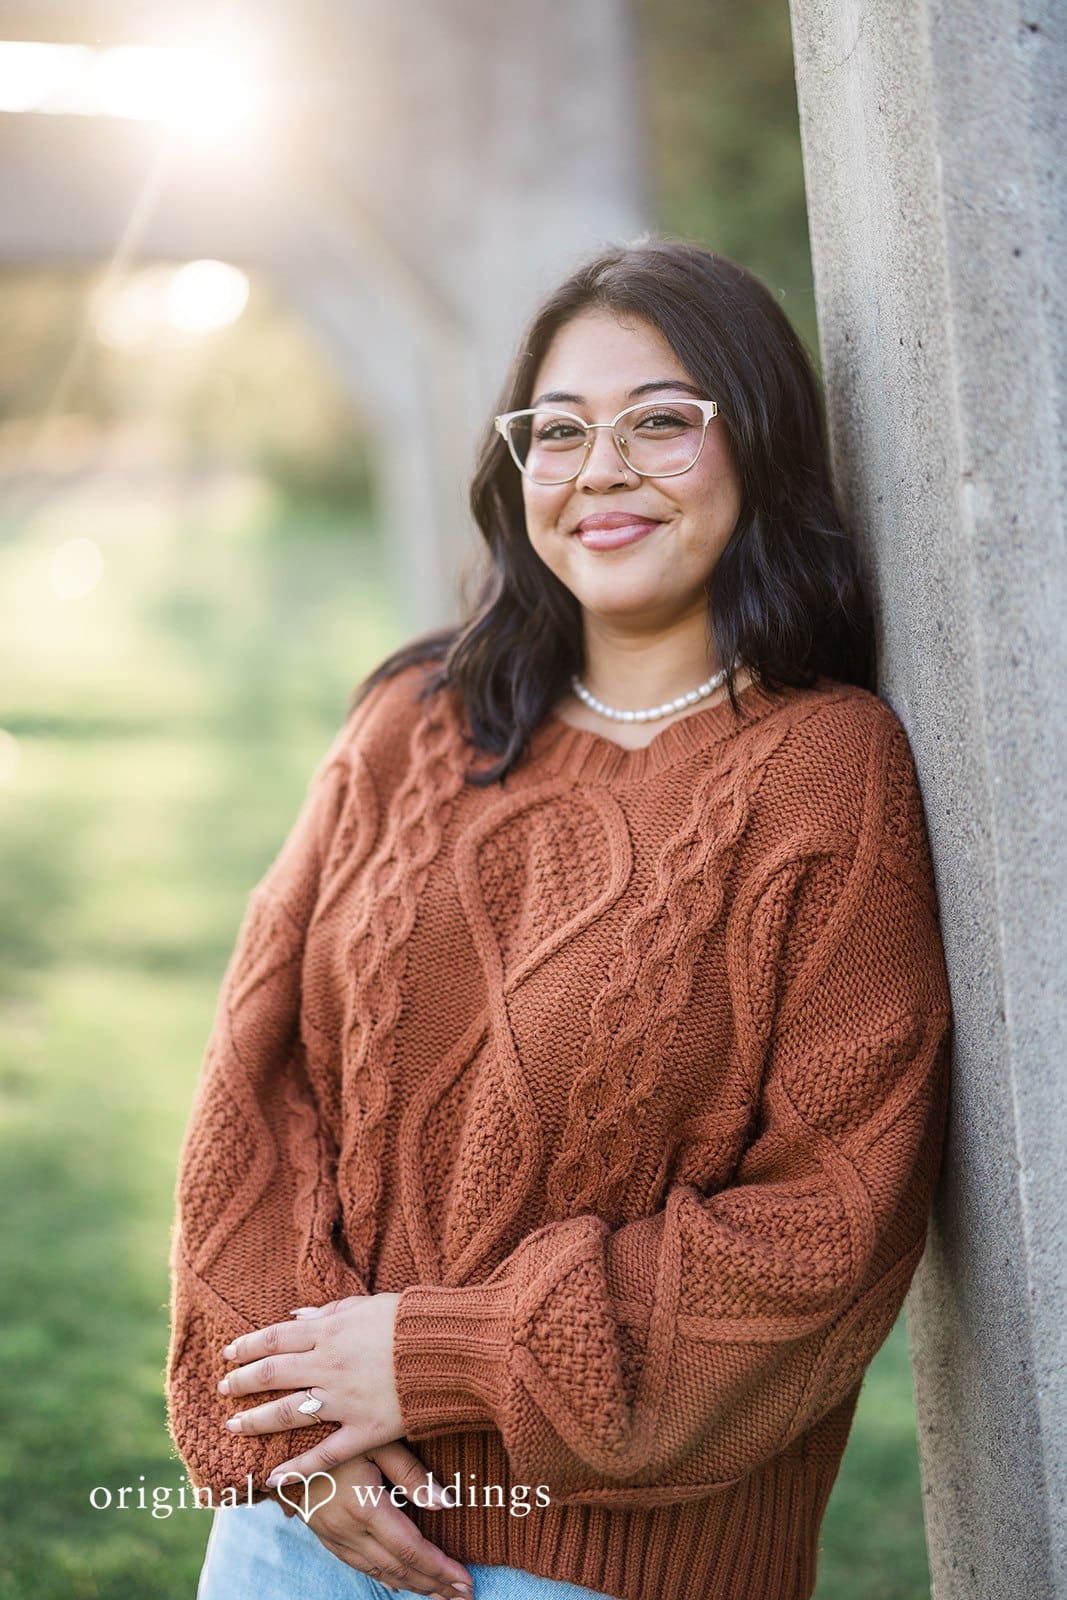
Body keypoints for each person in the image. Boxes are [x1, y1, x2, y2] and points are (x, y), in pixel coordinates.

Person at [166, 236, 953, 1600]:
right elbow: (259, 1078)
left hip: (606, 1570)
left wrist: (443, 1353)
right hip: (302, 1531)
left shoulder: (829, 769)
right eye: (561, 430)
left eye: (662, 422)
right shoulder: (411, 724)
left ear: (757, 448)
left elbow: (832, 1219)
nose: (604, 470)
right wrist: (294, 1418)